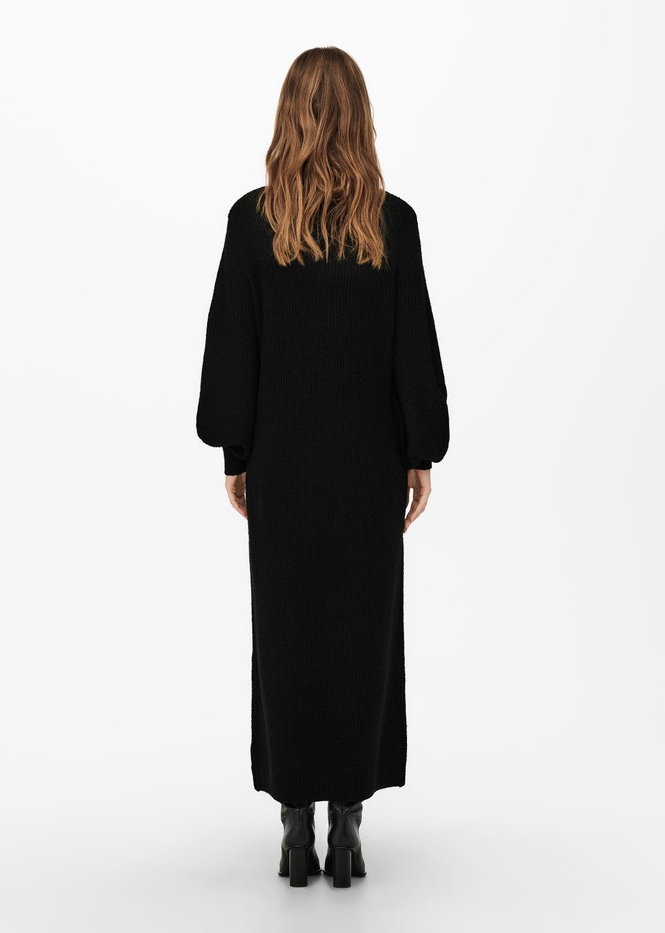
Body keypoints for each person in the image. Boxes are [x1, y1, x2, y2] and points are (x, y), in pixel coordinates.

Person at [196, 46, 450, 888]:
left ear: (290, 117)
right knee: (361, 636)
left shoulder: (253, 222)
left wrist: (237, 453)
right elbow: (412, 347)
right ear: (360, 120)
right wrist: (417, 452)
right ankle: (348, 824)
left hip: (284, 467)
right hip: (366, 469)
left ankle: (294, 826)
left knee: (288, 636)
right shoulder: (393, 224)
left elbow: (235, 348)